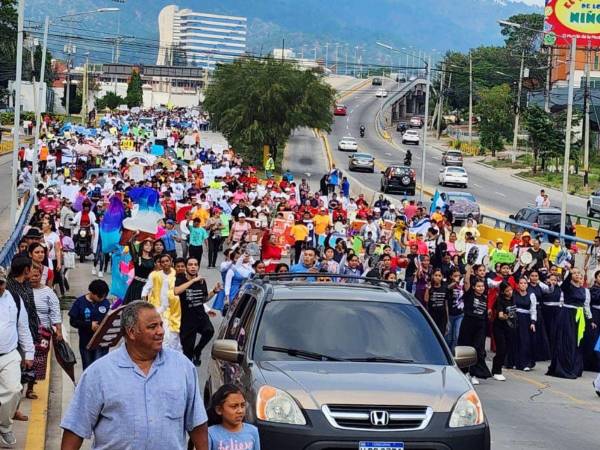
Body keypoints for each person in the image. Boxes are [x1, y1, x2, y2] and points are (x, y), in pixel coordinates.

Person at [60, 301, 209, 450]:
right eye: (152, 327)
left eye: (161, 325)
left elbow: (196, 422)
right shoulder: (99, 373)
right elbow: (75, 428)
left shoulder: (183, 367)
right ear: (131, 332)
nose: (161, 331)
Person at [0, 267, 34, 449]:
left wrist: (29, 352)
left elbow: (23, 327)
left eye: (1, 283)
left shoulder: (13, 299)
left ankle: (4, 426)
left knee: (14, 390)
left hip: (9, 354)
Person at [174, 257, 221, 366]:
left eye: (195, 264)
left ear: (198, 267)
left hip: (200, 315)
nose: (193, 267)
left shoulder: (202, 281)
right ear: (186, 267)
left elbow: (203, 299)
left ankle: (198, 350)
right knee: (187, 350)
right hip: (187, 318)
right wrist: (193, 281)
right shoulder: (180, 279)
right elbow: (176, 291)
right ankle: (188, 369)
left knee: (209, 331)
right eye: (190, 264)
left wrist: (214, 291)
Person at [27, 262, 62, 399]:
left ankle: (30, 387)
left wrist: (58, 330)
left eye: (37, 275)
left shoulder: (48, 292)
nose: (35, 278)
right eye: (32, 275)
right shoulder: (22, 290)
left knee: (38, 360)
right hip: (26, 331)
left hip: (43, 333)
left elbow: (55, 312)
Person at [68, 279, 111, 370]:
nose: (102, 299)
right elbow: (73, 321)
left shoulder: (106, 303)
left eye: (104, 296)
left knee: (100, 369)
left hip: (101, 343)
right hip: (86, 343)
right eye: (100, 297)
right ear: (92, 293)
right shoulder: (80, 303)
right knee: (88, 369)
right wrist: (89, 325)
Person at [207, 384, 260, 450]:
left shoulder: (253, 431)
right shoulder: (209, 434)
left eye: (243, 405)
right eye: (234, 406)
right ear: (219, 410)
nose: (240, 411)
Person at [123, 236, 155, 304]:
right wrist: (135, 235)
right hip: (136, 285)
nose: (148, 246)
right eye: (146, 244)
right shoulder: (137, 258)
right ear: (142, 246)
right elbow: (130, 243)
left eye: (150, 245)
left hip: (148, 285)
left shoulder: (153, 259)